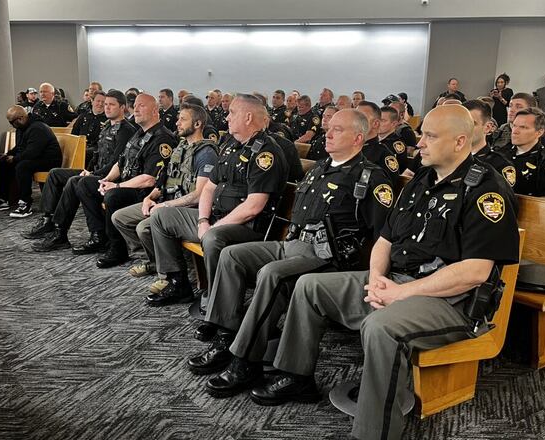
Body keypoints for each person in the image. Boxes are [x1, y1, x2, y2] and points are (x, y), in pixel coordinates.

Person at [249, 105, 520, 440]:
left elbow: (476, 271)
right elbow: (385, 240)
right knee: (309, 287)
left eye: (430, 136)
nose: (418, 143)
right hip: (399, 282)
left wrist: (401, 293)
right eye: (422, 135)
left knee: (381, 327)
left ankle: (374, 431)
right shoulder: (422, 178)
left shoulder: (485, 190)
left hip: (450, 302)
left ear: (460, 141)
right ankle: (295, 376)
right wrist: (377, 278)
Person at [187, 109, 394, 387]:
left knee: (273, 274)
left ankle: (244, 362)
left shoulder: (370, 178)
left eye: (337, 130)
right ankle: (226, 336)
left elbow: (383, 237)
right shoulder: (321, 167)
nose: (328, 134)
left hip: (327, 257)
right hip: (292, 244)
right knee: (231, 255)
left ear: (358, 138)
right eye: (328, 128)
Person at [147, 94, 289, 307]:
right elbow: (209, 188)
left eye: (232, 113)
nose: (227, 117)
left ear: (248, 117)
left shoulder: (266, 153)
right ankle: (178, 283)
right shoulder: (231, 145)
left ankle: (217, 303)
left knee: (214, 237)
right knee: (160, 215)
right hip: (215, 217)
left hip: (247, 226)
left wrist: (213, 226)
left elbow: (253, 206)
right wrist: (203, 219)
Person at [111, 103, 218, 290]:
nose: (177, 123)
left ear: (198, 123)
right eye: (178, 118)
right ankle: (154, 260)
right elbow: (163, 180)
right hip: (166, 200)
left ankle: (168, 273)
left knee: (144, 227)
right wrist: (150, 198)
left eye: (183, 119)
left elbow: (199, 195)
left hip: (186, 208)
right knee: (119, 217)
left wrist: (165, 206)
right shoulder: (180, 148)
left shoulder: (206, 153)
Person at [24, 90, 136, 249]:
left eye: (111, 105)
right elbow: (98, 155)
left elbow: (116, 163)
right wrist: (87, 169)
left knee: (74, 181)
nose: (107, 108)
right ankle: (48, 219)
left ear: (123, 107)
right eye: (105, 104)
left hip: (111, 178)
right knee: (55, 173)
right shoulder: (106, 127)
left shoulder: (126, 130)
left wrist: (92, 173)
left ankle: (60, 233)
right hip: (96, 172)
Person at [0, 106, 62, 216]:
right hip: (35, 158)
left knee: (22, 166)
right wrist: (8, 155)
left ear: (20, 118)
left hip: (49, 160)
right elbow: (19, 147)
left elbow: (33, 152)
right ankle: (2, 199)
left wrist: (14, 158)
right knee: (2, 162)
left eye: (11, 122)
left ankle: (25, 203)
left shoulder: (38, 128)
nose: (11, 125)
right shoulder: (21, 128)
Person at [495, 107, 545, 199]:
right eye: (514, 125)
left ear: (539, 132)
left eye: (523, 127)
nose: (515, 131)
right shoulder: (501, 154)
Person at [462, 100, 516, 187]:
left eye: (472, 123)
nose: (464, 129)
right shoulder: (449, 160)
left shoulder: (499, 164)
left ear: (487, 127)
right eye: (461, 124)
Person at [356, 101, 400, 178]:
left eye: (362, 118)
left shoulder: (383, 156)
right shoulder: (347, 147)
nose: (355, 122)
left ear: (375, 124)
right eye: (354, 117)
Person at [72, 90, 108, 166]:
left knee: (85, 153)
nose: (100, 104)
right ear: (92, 101)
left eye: (103, 102)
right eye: (98, 101)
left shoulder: (107, 120)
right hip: (80, 146)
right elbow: (74, 134)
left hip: (97, 149)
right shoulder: (83, 116)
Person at [378, 105, 408, 171]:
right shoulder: (372, 140)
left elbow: (397, 170)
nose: (378, 123)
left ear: (394, 124)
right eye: (377, 119)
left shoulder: (397, 145)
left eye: (382, 120)